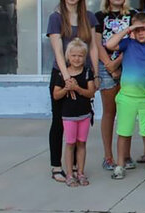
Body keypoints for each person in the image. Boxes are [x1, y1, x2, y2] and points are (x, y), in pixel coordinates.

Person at [47, 0, 99, 183]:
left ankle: (76, 167)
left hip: (83, 76)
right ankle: (56, 166)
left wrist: (95, 73)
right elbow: (58, 51)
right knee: (60, 121)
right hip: (62, 75)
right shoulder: (56, 17)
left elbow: (93, 47)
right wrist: (67, 79)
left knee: (81, 120)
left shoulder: (89, 17)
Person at [104, 12, 145, 181]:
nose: (140, 33)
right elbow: (109, 44)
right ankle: (120, 165)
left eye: (143, 29)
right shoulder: (128, 43)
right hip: (127, 97)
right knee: (124, 132)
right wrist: (128, 29)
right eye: (137, 30)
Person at [94, 0, 136, 171]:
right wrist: (109, 65)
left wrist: (118, 62)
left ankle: (125, 155)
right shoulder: (99, 16)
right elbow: (97, 44)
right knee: (109, 112)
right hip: (106, 67)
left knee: (126, 112)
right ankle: (108, 156)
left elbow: (135, 42)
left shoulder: (133, 15)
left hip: (128, 65)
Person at [51, 38, 96, 187]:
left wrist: (77, 89)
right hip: (68, 116)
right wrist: (66, 88)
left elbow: (90, 92)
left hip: (84, 114)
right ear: (68, 56)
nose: (77, 59)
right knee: (70, 143)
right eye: (74, 55)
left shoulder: (88, 72)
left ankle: (80, 172)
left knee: (81, 143)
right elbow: (56, 95)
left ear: (85, 57)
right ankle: (70, 174)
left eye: (80, 56)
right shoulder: (62, 75)